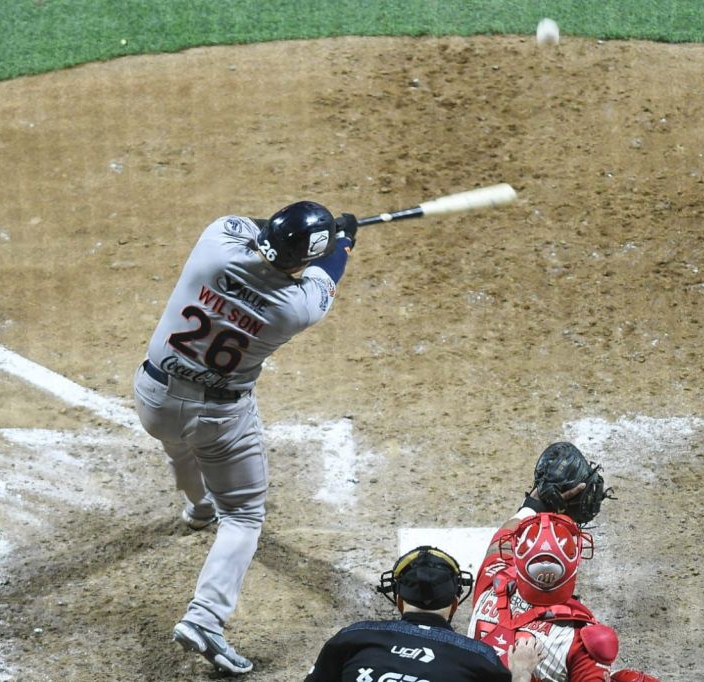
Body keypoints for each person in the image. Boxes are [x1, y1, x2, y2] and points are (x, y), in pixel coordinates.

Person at [133, 200, 359, 675]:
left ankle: (198, 507)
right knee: (242, 515)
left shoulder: (215, 242)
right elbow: (329, 272)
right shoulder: (296, 309)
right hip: (218, 416)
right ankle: (205, 619)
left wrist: (319, 235)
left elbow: (257, 229)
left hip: (154, 396)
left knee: (177, 443)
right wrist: (344, 241)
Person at [304, 545, 544, 682]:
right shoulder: (480, 659)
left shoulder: (353, 638)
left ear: (399, 601)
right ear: (455, 604)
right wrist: (521, 673)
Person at [466, 496, 620, 680]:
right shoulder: (578, 640)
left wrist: (532, 504)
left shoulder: (492, 582)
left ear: (518, 560)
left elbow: (499, 543)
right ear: (573, 564)